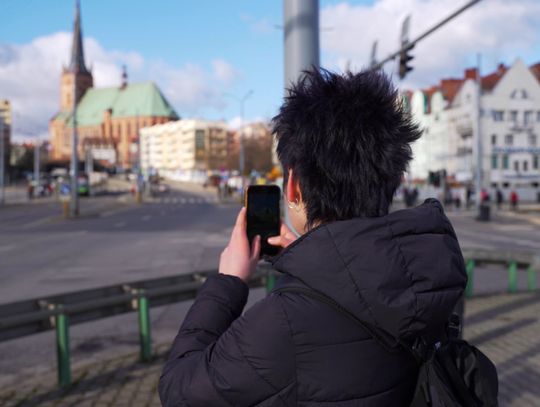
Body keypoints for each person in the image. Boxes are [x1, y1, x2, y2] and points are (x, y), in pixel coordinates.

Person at [159, 69, 467, 406]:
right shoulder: (433, 275)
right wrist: (314, 262)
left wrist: (228, 281)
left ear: (293, 186)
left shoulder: (283, 322)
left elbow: (180, 390)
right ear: (394, 176)